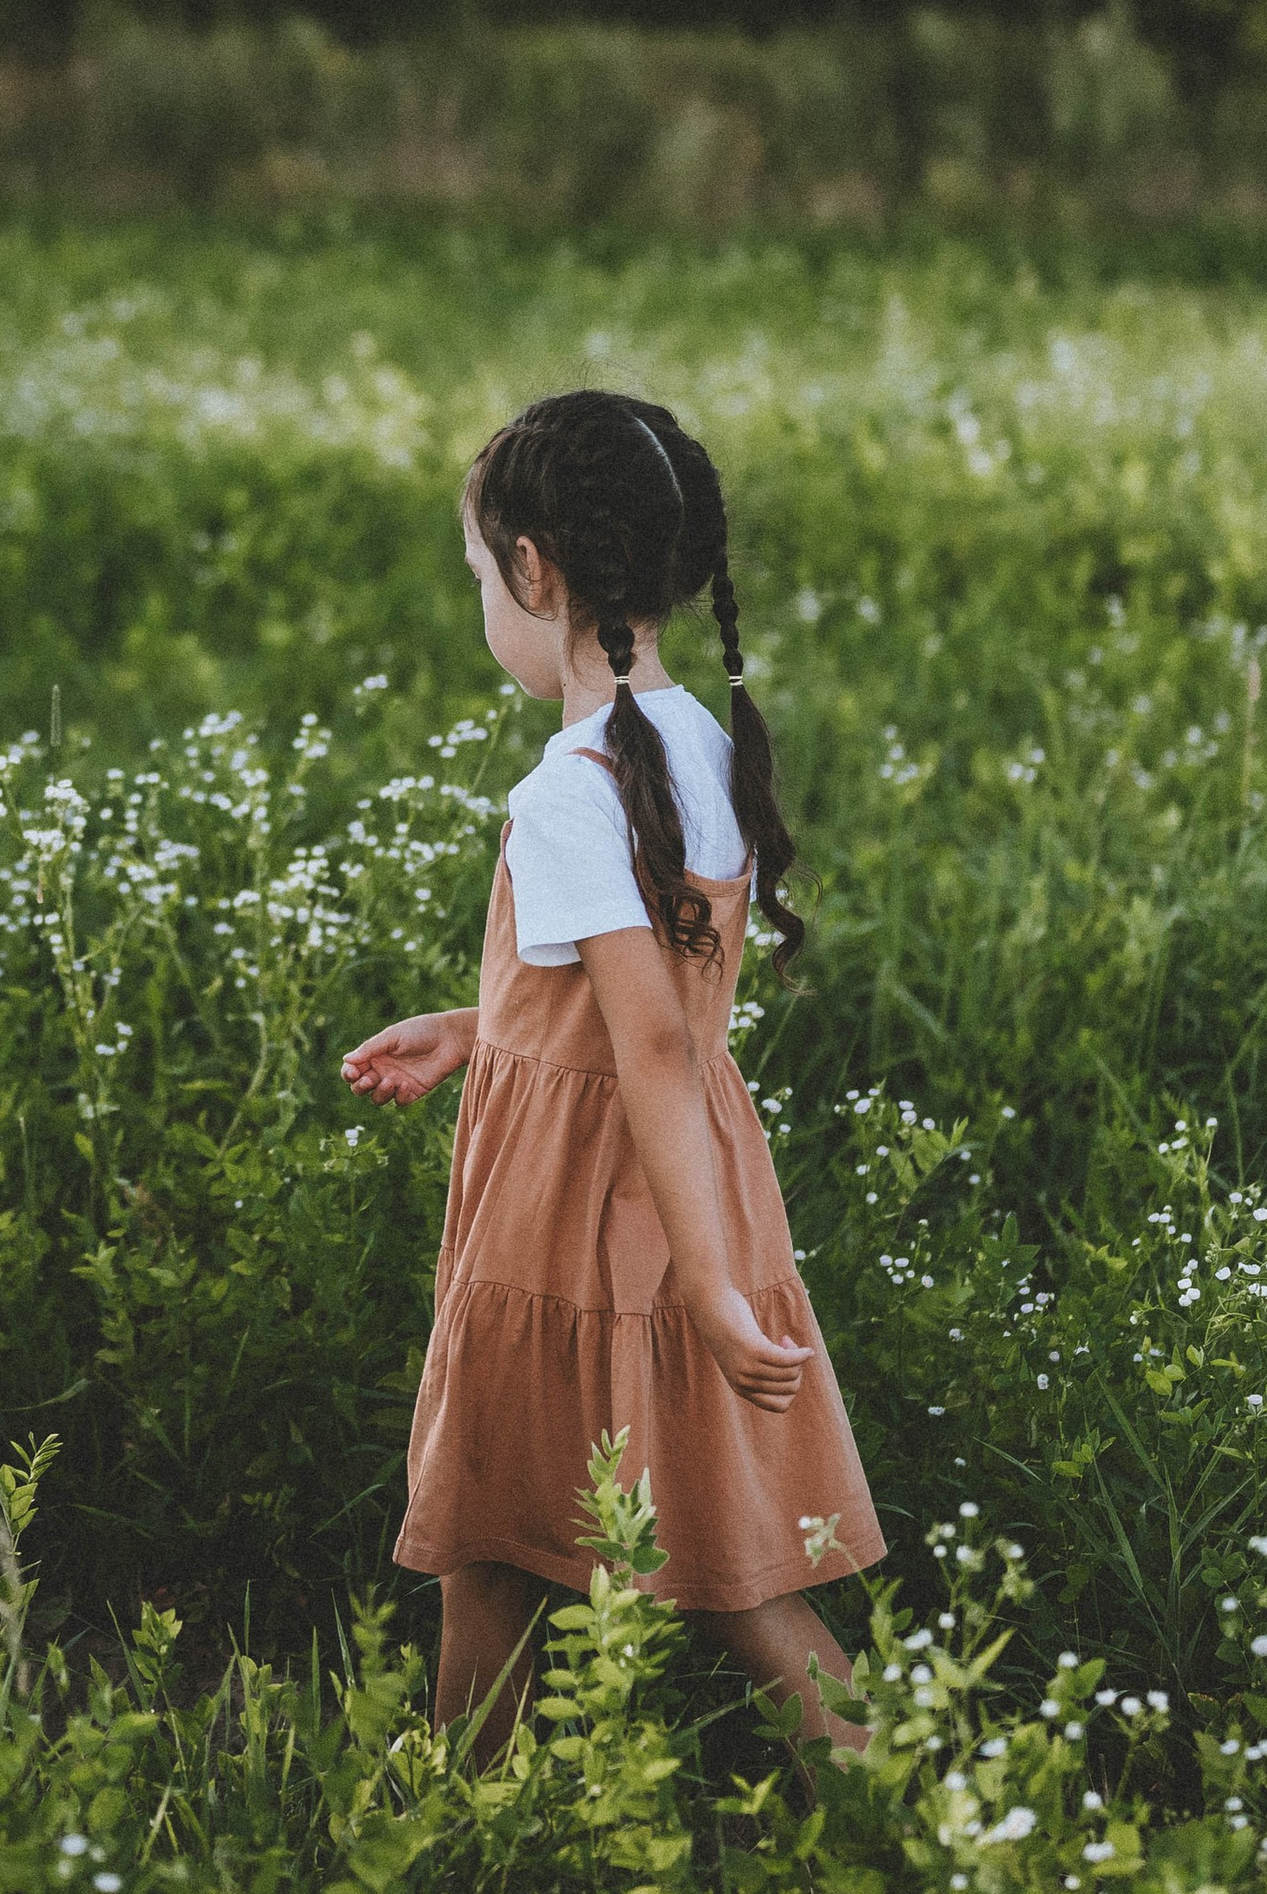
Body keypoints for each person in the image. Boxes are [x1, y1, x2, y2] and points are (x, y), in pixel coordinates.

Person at [342, 387, 882, 1761]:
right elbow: (659, 1003)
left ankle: (465, 1839)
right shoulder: (701, 739)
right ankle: (916, 1824)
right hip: (687, 1180)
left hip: (575, 1216)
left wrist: (700, 1284)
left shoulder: (572, 788)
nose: (483, 601)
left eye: (480, 574)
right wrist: (483, 1025)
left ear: (536, 568)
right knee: (731, 1566)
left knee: (492, 1537)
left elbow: (643, 1035)